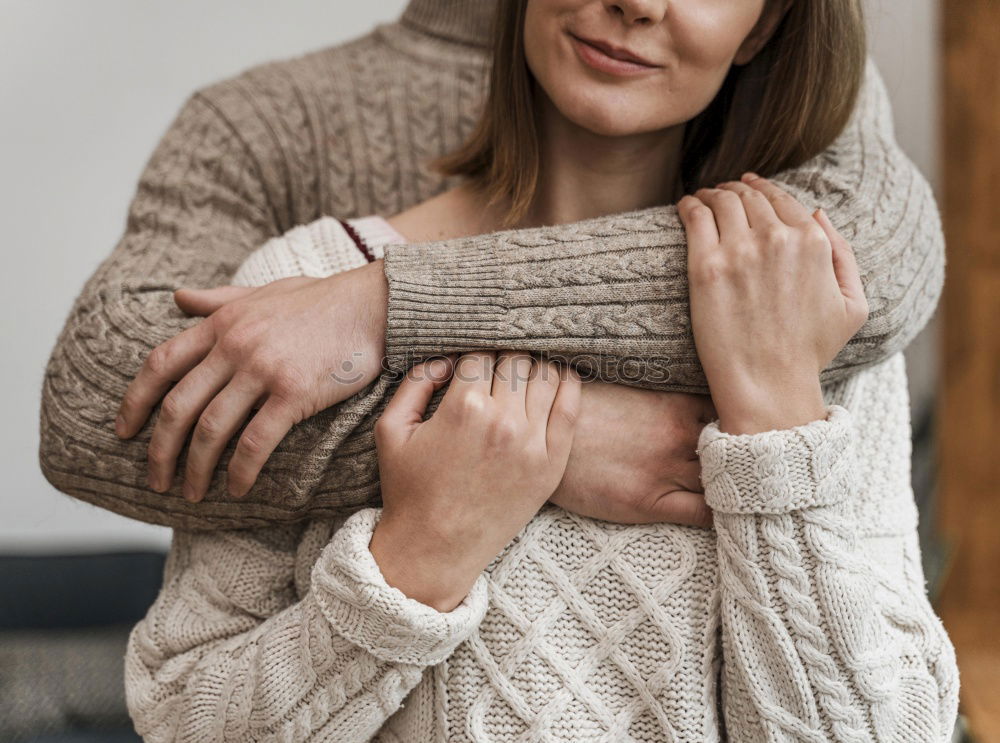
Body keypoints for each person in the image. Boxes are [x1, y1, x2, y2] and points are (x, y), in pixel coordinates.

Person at [117, 0, 957, 741]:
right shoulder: (303, 294)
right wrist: (418, 558)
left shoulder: (792, 300)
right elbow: (184, 709)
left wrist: (773, 416)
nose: (635, 3)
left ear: (765, 24)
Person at [39, 0, 943, 531]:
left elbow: (857, 271)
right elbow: (96, 404)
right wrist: (551, 438)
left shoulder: (756, 71)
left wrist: (387, 305)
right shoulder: (264, 125)